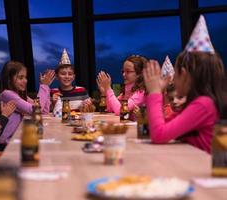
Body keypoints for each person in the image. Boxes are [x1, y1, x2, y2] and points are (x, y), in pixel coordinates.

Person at [143, 15, 226, 153]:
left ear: (184, 73)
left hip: (203, 170)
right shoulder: (203, 102)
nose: (174, 81)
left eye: (175, 75)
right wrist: (161, 94)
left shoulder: (204, 105)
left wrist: (154, 93)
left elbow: (158, 134)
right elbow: (166, 123)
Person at [0, 60, 55, 144]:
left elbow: (43, 111)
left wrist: (46, 87)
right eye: (21, 77)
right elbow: (35, 109)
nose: (25, 81)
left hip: (19, 137)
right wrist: (44, 86)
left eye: (25, 77)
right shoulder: (7, 94)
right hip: (8, 142)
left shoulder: (19, 94)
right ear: (9, 79)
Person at [96, 55, 147, 119]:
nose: (123, 74)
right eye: (123, 71)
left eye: (128, 71)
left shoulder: (140, 93)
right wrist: (105, 92)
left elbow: (119, 111)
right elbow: (110, 109)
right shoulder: (126, 91)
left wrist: (108, 89)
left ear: (139, 74)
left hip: (139, 128)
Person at [51, 49, 92, 116]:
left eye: (70, 74)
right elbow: (49, 114)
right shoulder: (53, 92)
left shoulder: (81, 90)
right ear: (57, 76)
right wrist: (53, 102)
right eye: (63, 74)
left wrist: (88, 105)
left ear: (73, 77)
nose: (67, 76)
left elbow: (89, 110)